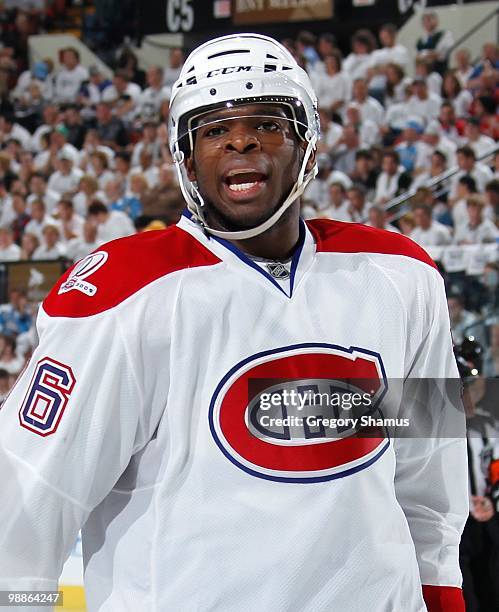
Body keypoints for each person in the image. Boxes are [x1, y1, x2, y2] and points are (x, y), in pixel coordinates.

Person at [0, 33, 468, 612]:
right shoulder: (126, 293)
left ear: (306, 143)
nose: (241, 140)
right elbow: (23, 506)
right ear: (187, 155)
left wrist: (441, 592)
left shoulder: (401, 274)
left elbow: (430, 480)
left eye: (266, 123)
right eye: (214, 130)